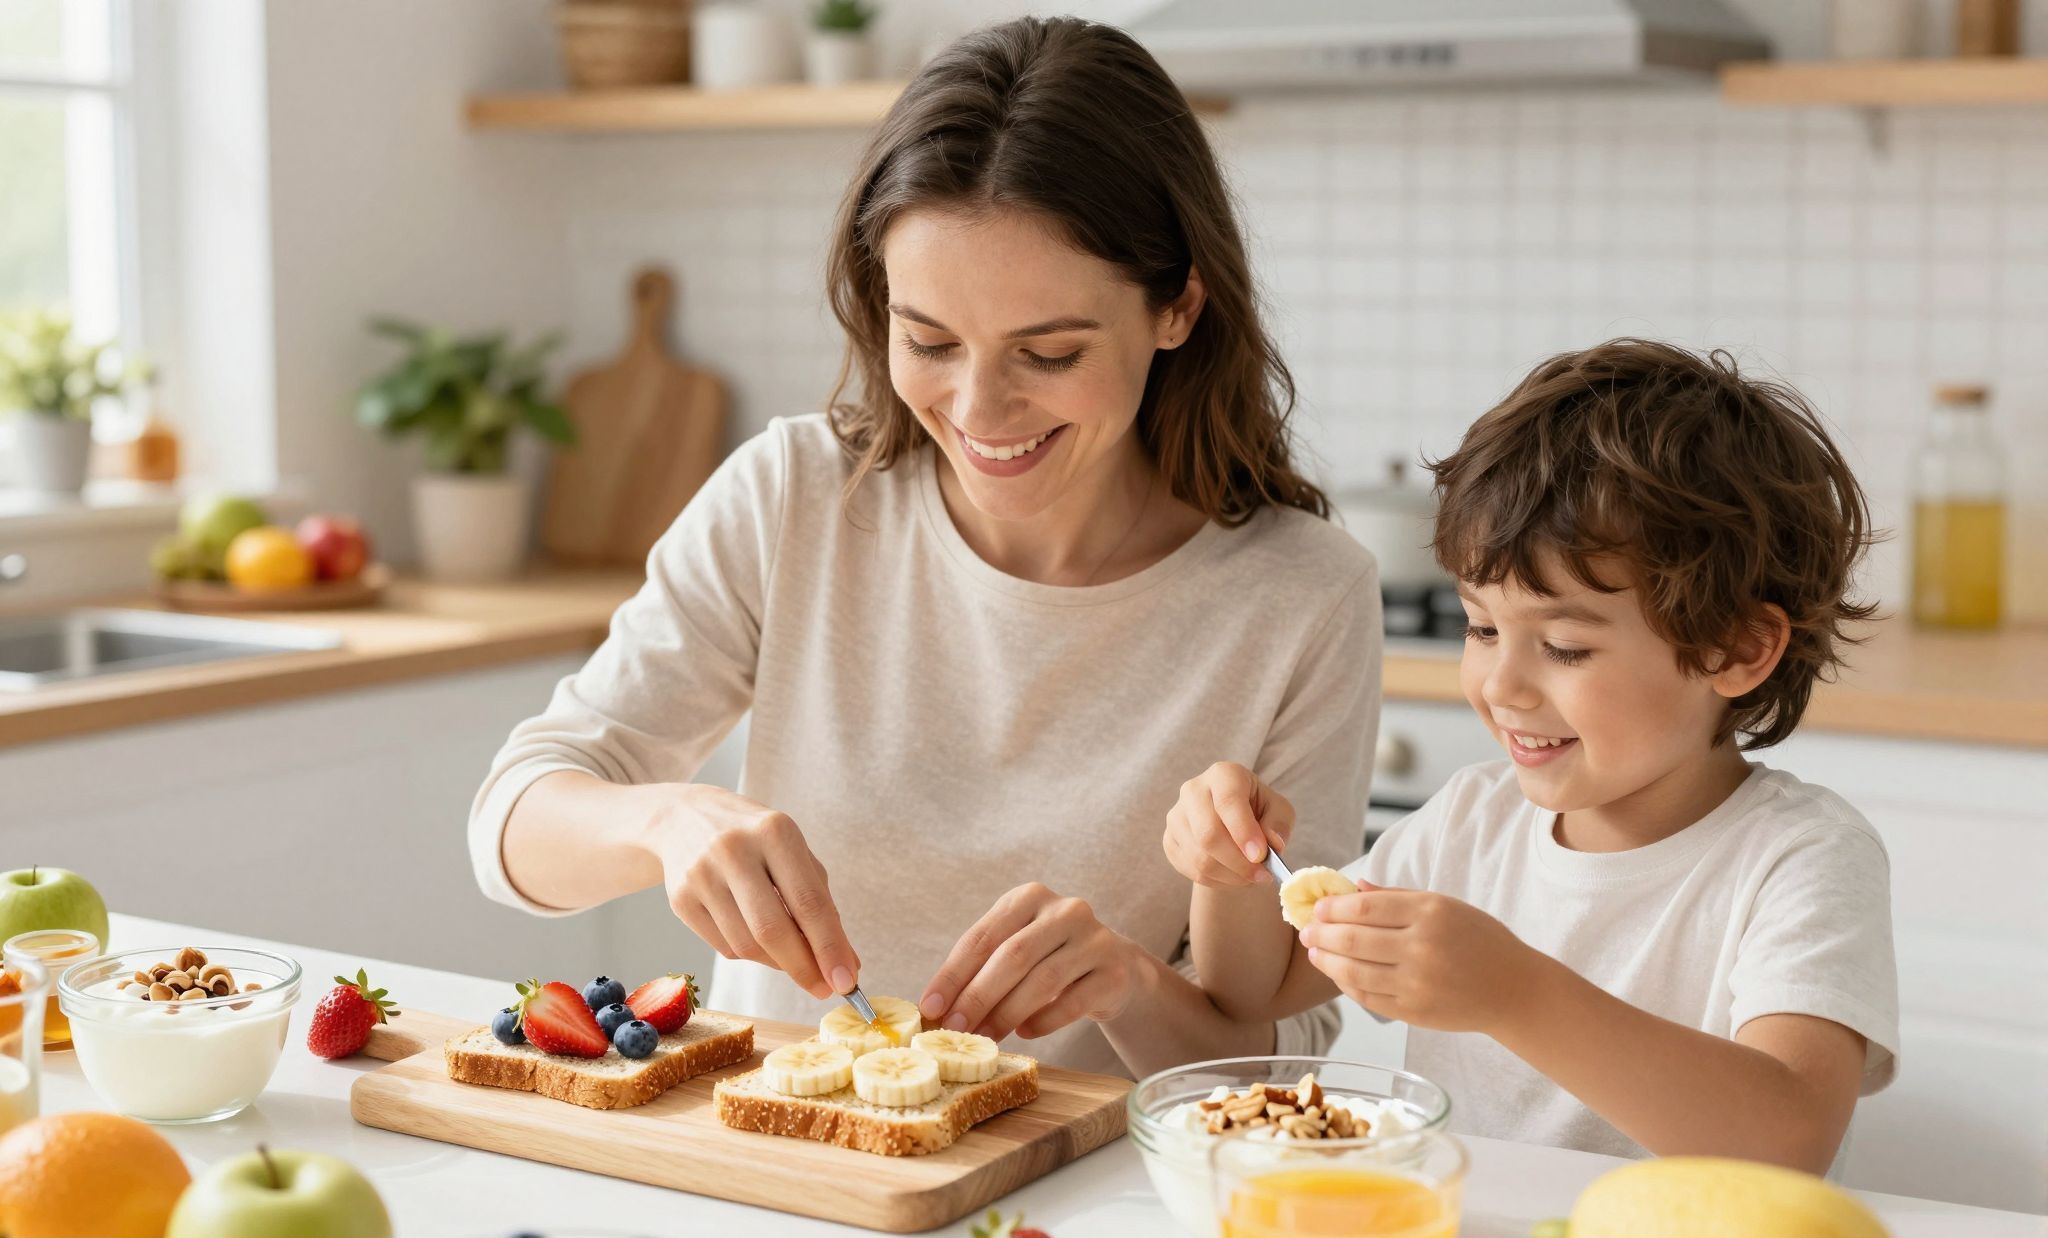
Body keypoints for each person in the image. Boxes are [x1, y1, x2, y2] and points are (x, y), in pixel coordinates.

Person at [468, 16, 1380, 1079]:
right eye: (929, 341)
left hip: (1089, 1198)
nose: (979, 407)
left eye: (1048, 351)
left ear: (1176, 306)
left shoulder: (1302, 596)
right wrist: (665, 820)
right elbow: (513, 824)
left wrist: (1131, 983)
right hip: (792, 1170)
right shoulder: (793, 496)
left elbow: (1279, 1052)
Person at [1163, 339, 1898, 1171]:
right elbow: (1254, 993)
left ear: (1736, 648)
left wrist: (1516, 993)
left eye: (1564, 647)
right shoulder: (1473, 822)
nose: (1499, 686)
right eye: (1481, 629)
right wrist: (1232, 875)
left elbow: (1789, 1138)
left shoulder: (1800, 858)